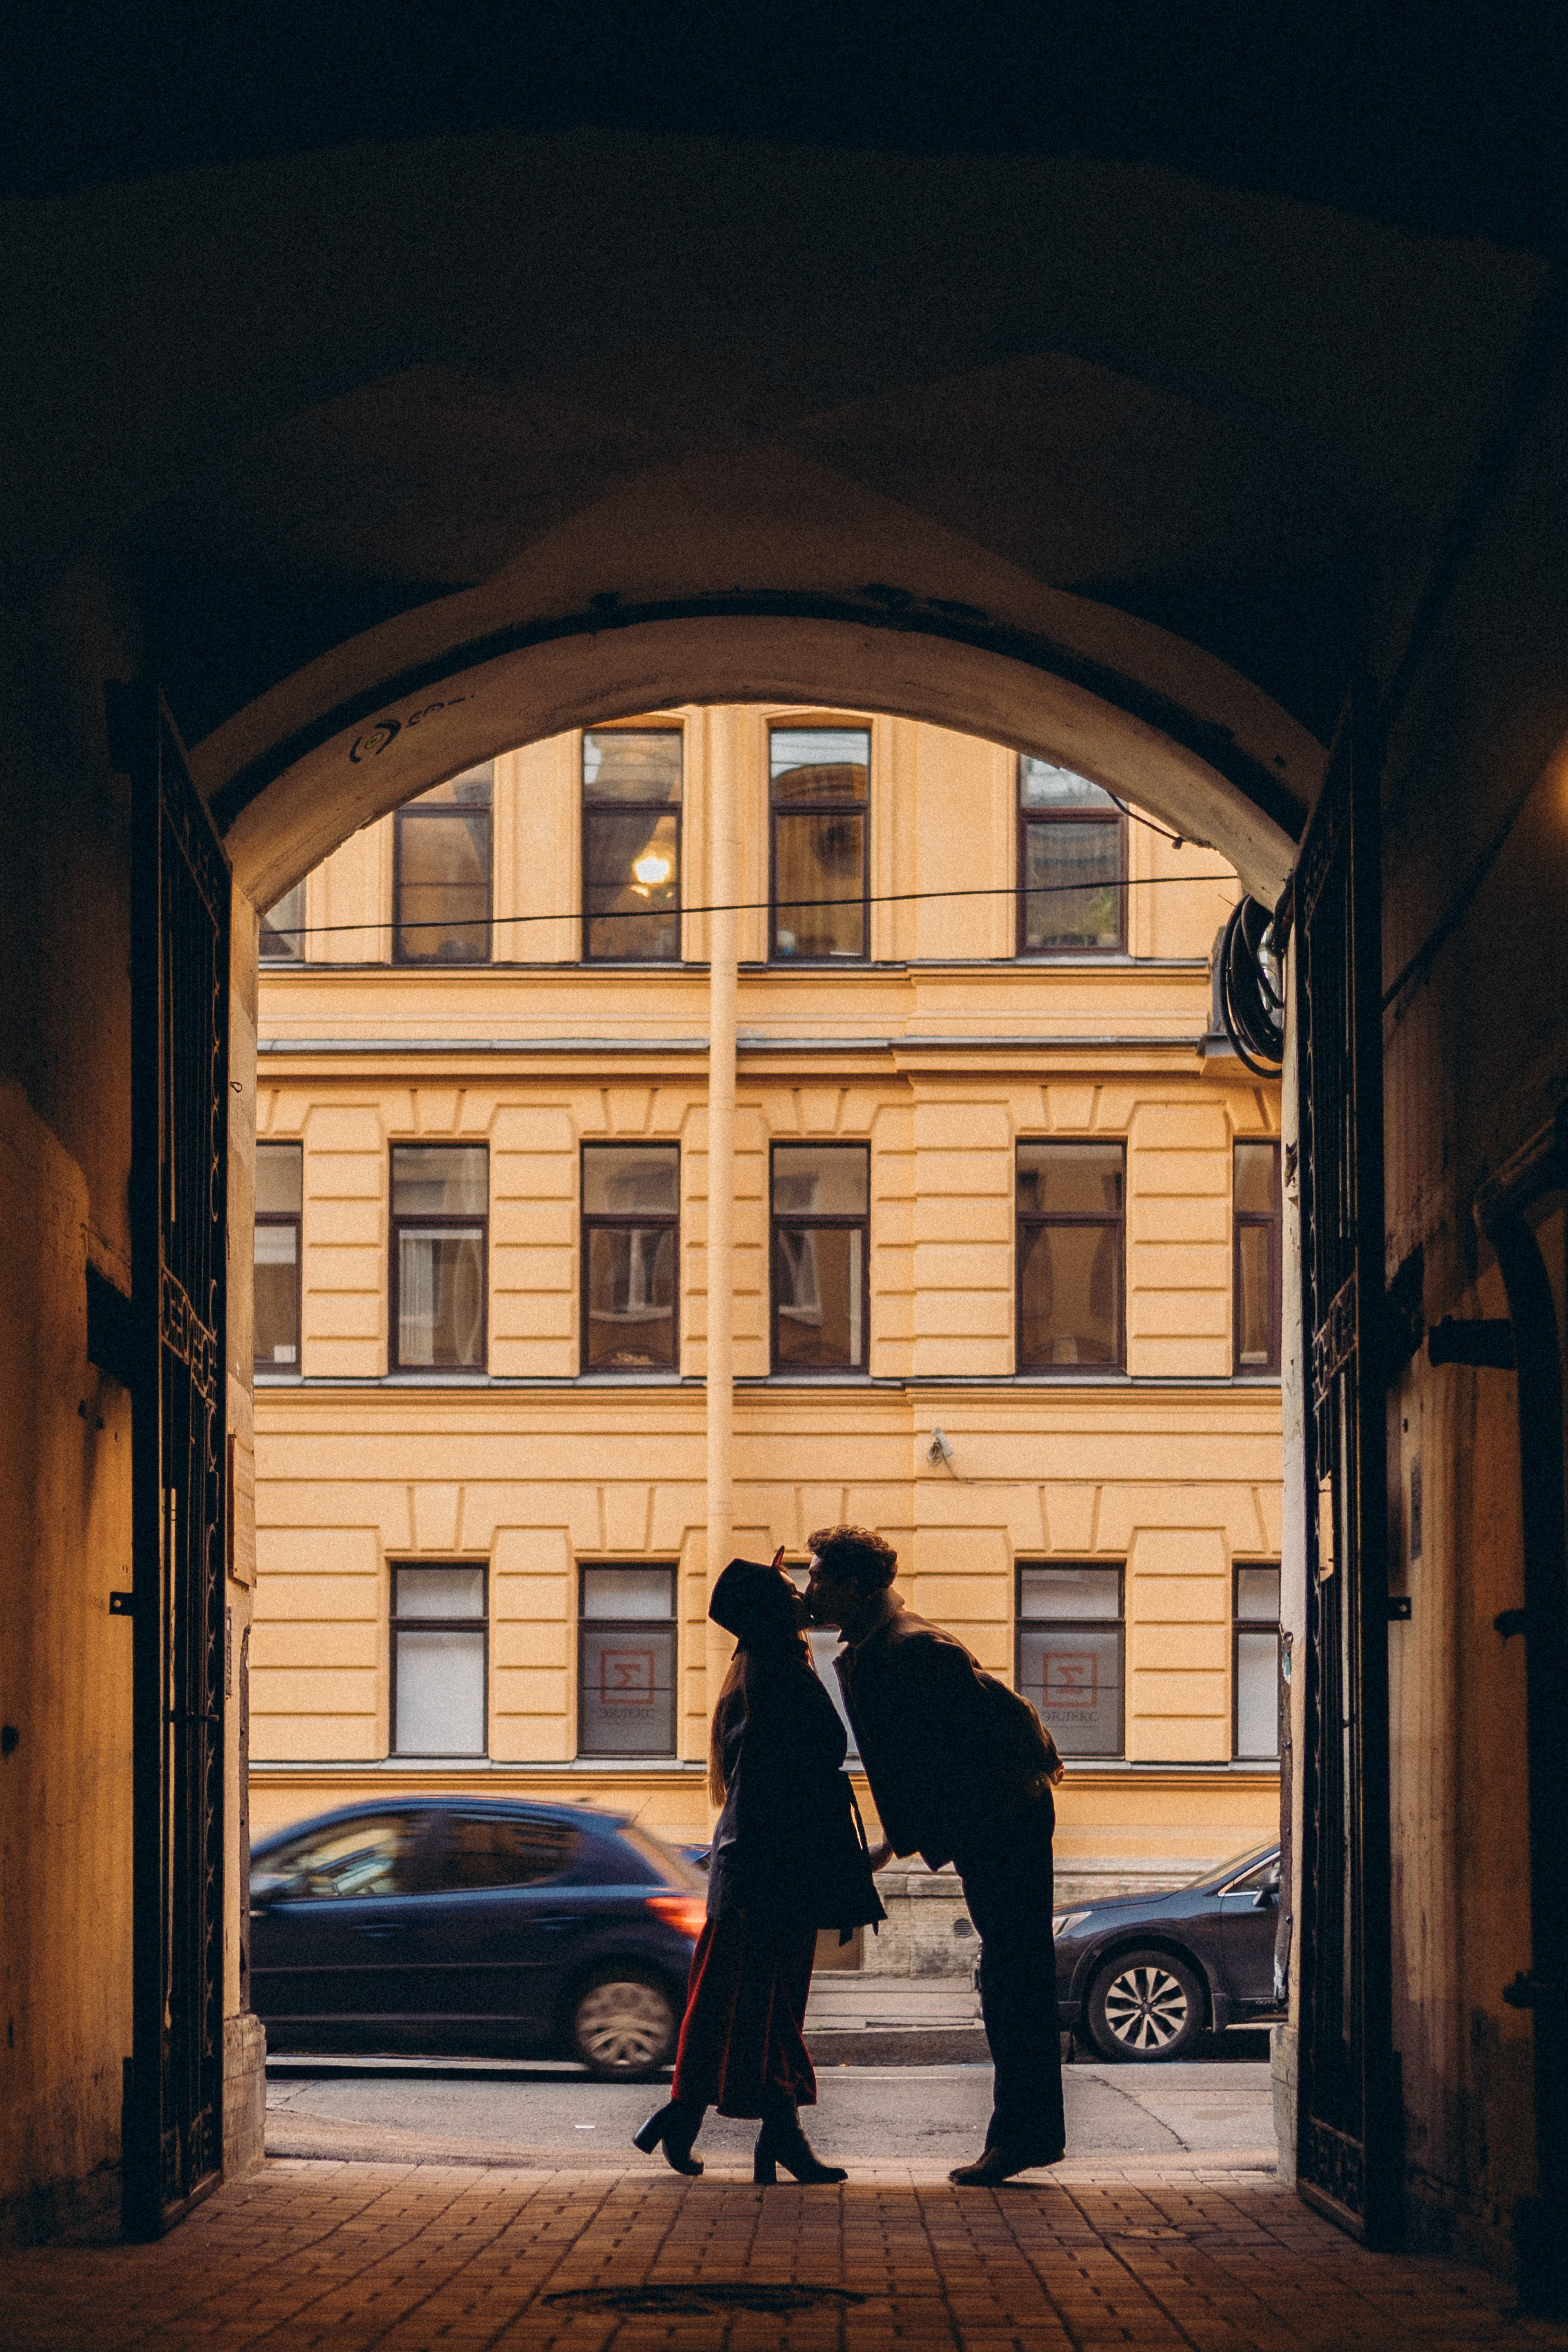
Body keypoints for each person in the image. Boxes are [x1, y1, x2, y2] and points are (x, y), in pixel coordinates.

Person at [804, 1523, 1067, 2186]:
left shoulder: (913, 1647)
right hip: (993, 1822)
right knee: (1009, 1979)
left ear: (851, 1584)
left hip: (1005, 1822)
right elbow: (922, 1765)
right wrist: (891, 1844)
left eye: (816, 1576)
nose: (808, 1588)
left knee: (1015, 1983)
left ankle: (1024, 2137)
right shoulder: (882, 1643)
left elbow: (994, 1728)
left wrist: (898, 1843)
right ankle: (1023, 2136)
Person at [633, 1552, 884, 2183]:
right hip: (768, 1875)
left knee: (747, 2008)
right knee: (766, 2010)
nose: (800, 1591)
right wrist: (750, 1877)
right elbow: (766, 1789)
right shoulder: (776, 1674)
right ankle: (763, 2134)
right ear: (771, 1611)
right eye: (786, 1587)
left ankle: (700, 2119)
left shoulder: (763, 1667)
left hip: (761, 1871)